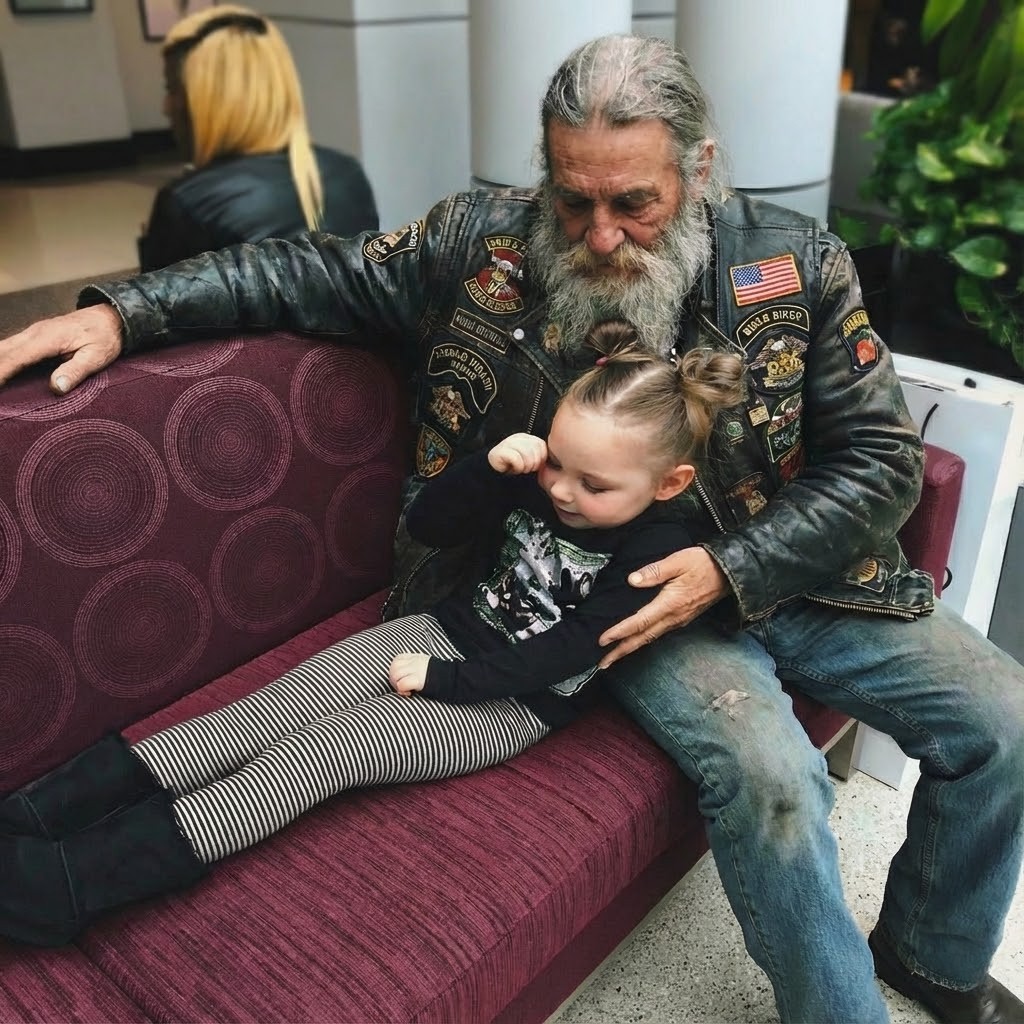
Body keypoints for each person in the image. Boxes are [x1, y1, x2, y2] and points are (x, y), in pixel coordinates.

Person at [0, 31, 1021, 1024]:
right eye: (573, 199)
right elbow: (307, 272)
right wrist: (124, 313)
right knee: (774, 781)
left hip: (798, 565)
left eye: (634, 202)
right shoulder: (477, 242)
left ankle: (930, 950)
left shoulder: (798, 263)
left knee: (1007, 720)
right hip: (614, 602)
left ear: (700, 171)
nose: (600, 234)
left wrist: (731, 566)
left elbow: (882, 460)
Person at [0, 322, 744, 947]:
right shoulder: (538, 476)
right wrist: (491, 471)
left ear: (669, 483)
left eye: (593, 485)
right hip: (439, 631)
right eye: (557, 463)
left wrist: (447, 681)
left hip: (511, 702)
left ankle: (72, 887)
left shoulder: (656, 552)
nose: (562, 492)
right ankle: (37, 814)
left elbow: (569, 652)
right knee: (266, 710)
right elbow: (429, 525)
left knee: (323, 751)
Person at [137, 4, 379, 271]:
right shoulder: (348, 175)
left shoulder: (188, 204)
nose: (166, 107)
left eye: (172, 89)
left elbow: (155, 296)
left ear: (206, 100)